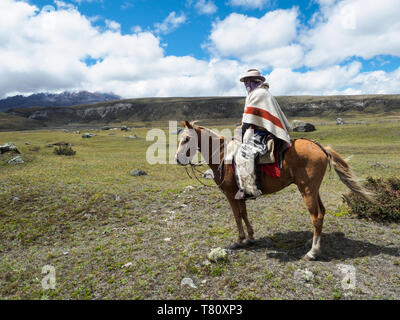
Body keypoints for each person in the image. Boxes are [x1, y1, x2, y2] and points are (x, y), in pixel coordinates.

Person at [234, 69, 292, 200]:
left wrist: (243, 130)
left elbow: (249, 121)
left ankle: (250, 188)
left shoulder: (258, 94)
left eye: (248, 81)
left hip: (263, 133)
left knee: (242, 154)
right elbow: (251, 117)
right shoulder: (259, 93)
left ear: (256, 81)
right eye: (245, 81)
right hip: (259, 130)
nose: (246, 84)